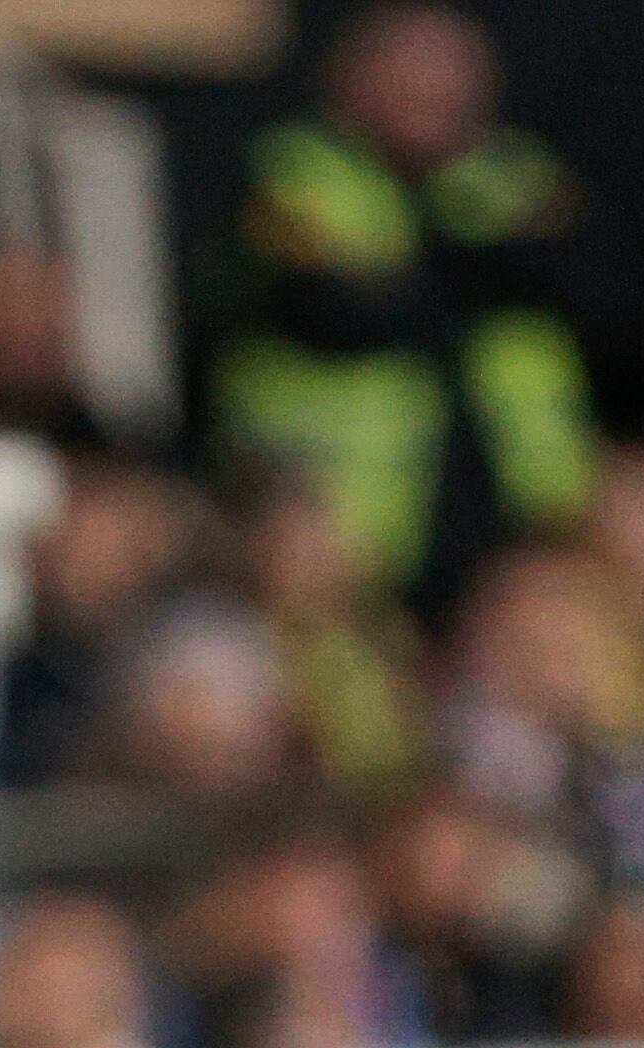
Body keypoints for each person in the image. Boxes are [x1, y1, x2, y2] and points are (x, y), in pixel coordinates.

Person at [210, 2, 599, 622]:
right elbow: (330, 311)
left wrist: (407, 279)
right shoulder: (290, 171)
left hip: (520, 529)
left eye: (452, 71)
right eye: (410, 71)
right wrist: (464, 274)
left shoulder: (522, 177)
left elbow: (564, 279)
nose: (434, 93)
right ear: (352, 77)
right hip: (342, 536)